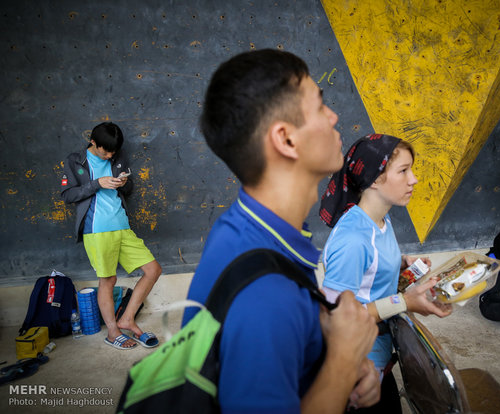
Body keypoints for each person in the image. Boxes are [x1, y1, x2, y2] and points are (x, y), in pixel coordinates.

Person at [183, 49, 380, 414]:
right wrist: (343, 360)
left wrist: (330, 356)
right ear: (286, 140)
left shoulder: (244, 226)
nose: (334, 116)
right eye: (321, 106)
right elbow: (268, 316)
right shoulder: (266, 297)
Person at [319, 134, 452, 413]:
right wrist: (405, 302)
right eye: (403, 171)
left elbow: (372, 265)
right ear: (375, 179)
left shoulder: (380, 219)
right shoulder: (352, 239)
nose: (413, 179)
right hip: (356, 371)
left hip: (379, 357)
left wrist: (402, 264)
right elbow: (334, 317)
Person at [61, 122, 161, 350]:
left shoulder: (118, 156)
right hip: (97, 229)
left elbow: (128, 189)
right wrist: (97, 183)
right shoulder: (75, 160)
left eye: (113, 152)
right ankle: (113, 332)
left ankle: (127, 318)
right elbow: (68, 195)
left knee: (153, 270)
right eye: (105, 151)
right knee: (108, 280)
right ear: (93, 142)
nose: (109, 156)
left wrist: (124, 184)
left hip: (122, 225)